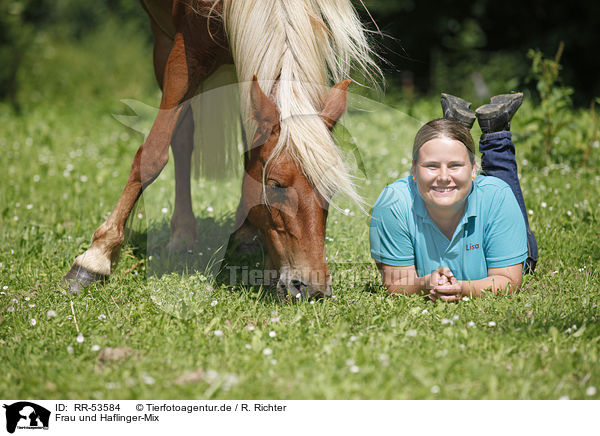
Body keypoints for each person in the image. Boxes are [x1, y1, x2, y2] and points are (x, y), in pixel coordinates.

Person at [369, 93, 538, 302]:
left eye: (455, 166)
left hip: (492, 202)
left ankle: (497, 130)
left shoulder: (498, 197)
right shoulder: (393, 203)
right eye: (431, 166)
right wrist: (425, 283)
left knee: (499, 185)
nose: (443, 177)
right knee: (453, 161)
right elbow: (395, 283)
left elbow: (508, 280)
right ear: (413, 169)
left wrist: (462, 289)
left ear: (473, 169)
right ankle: (455, 133)